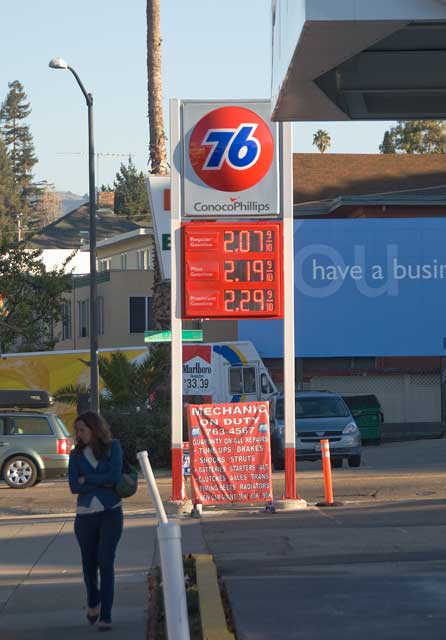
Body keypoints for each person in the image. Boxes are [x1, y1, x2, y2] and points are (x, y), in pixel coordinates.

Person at [68, 411, 123, 632]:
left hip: (111, 513)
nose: (79, 434)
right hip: (85, 518)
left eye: (82, 429)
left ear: (94, 428)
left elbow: (115, 477)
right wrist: (101, 482)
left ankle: (106, 615)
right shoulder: (75, 455)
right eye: (77, 430)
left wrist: (87, 479)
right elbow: (74, 486)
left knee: (106, 562)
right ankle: (93, 601)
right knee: (89, 566)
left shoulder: (113, 447)